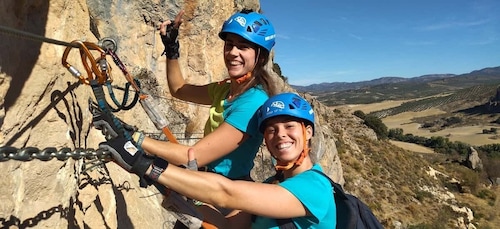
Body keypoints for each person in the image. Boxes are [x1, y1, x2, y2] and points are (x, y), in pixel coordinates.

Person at [96, 8, 279, 228]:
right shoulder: (227, 89)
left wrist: (135, 138)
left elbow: (194, 156)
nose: (232, 52)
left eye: (243, 46)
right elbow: (179, 89)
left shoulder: (253, 102)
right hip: (204, 183)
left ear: (260, 55)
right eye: (229, 44)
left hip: (228, 195)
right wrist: (172, 50)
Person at [100, 92, 337, 228]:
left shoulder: (315, 187)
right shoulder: (270, 185)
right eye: (271, 130)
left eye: (289, 126)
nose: (280, 135)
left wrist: (146, 164)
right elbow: (228, 226)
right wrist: (179, 191)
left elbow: (227, 193)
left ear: (308, 131)